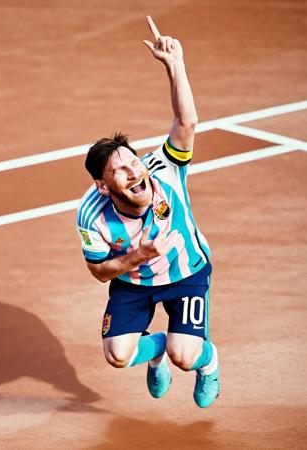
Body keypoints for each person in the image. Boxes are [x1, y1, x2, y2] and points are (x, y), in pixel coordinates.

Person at [76, 16, 220, 408]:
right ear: (103, 187)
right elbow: (98, 271)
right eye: (119, 170)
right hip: (134, 279)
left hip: (186, 272)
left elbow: (186, 121)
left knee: (186, 356)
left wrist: (175, 65)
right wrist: (137, 256)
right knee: (118, 355)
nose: (133, 170)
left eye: (132, 160)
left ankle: (209, 364)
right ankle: (153, 353)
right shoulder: (91, 216)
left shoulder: (165, 169)